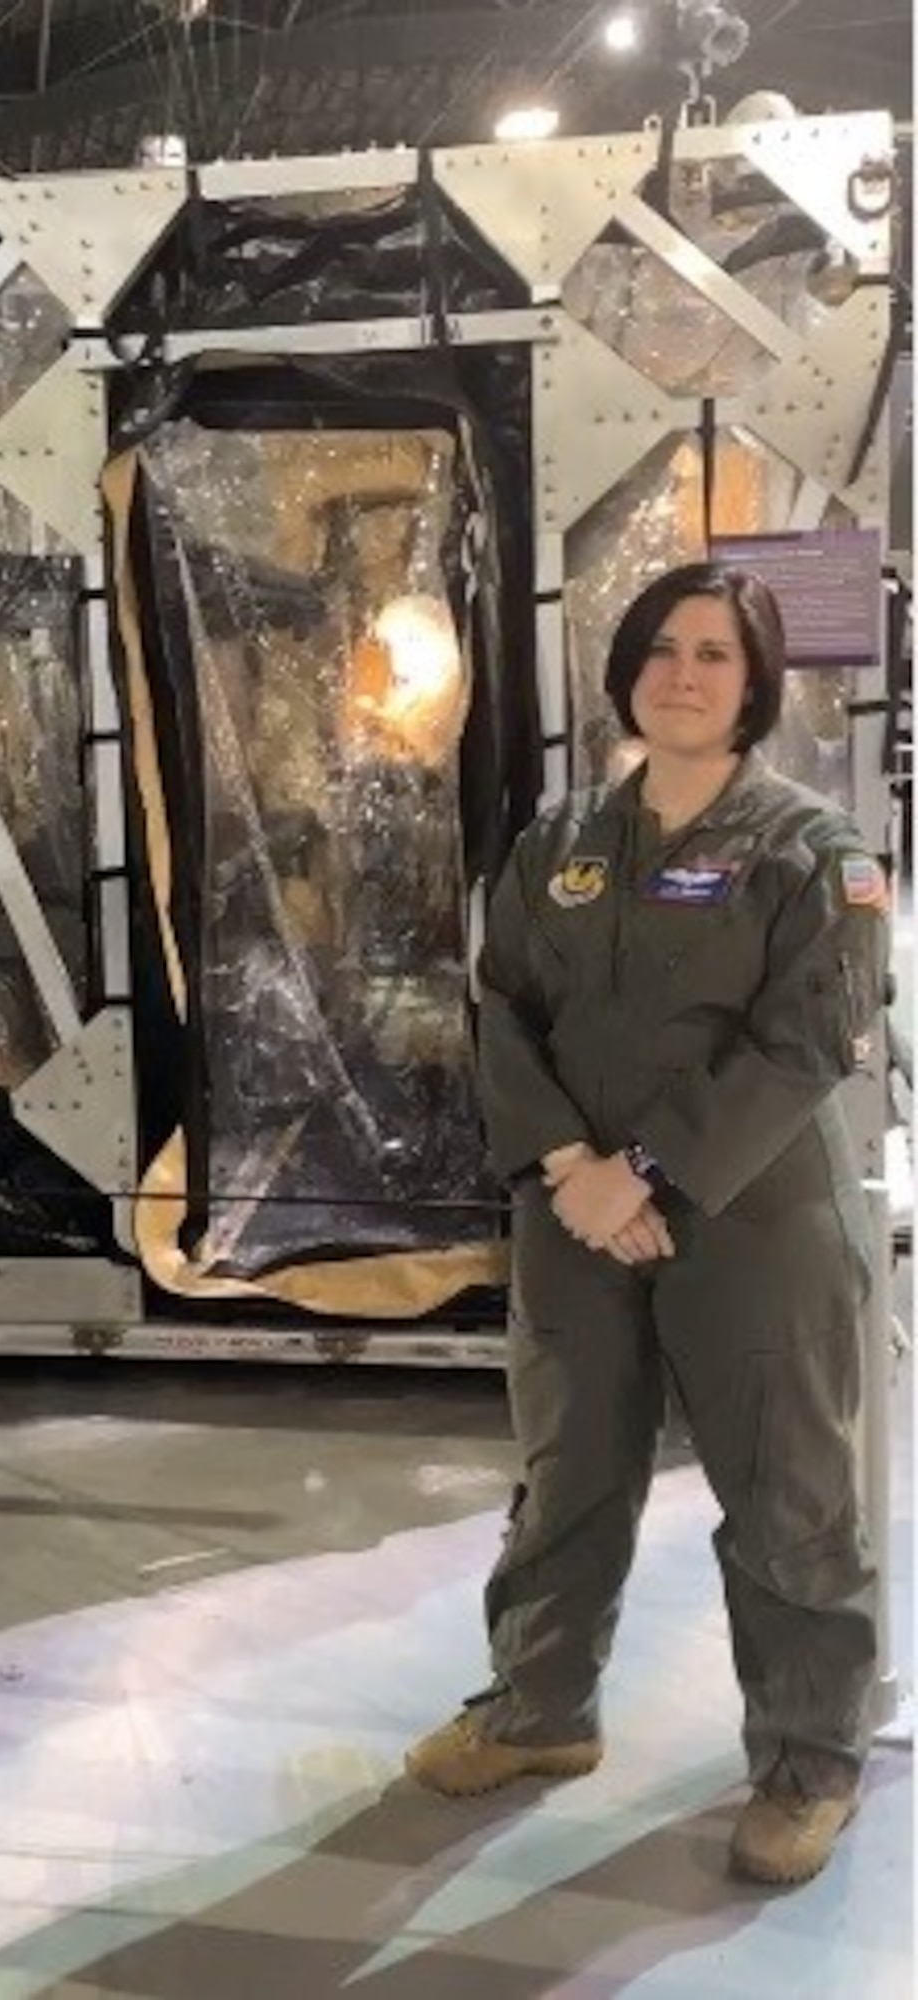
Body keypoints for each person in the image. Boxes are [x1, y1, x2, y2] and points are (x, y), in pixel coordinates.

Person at [405, 560, 890, 1887]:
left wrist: (648, 1176)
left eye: (716, 654)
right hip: (577, 1215)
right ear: (627, 665)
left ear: (757, 684)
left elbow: (806, 1046)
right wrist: (572, 1164)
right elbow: (501, 1004)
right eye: (663, 646)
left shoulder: (812, 855)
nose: (683, 671)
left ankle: (808, 1760)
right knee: (569, 1474)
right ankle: (540, 1708)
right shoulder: (559, 840)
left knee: (789, 1497)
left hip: (755, 1224)